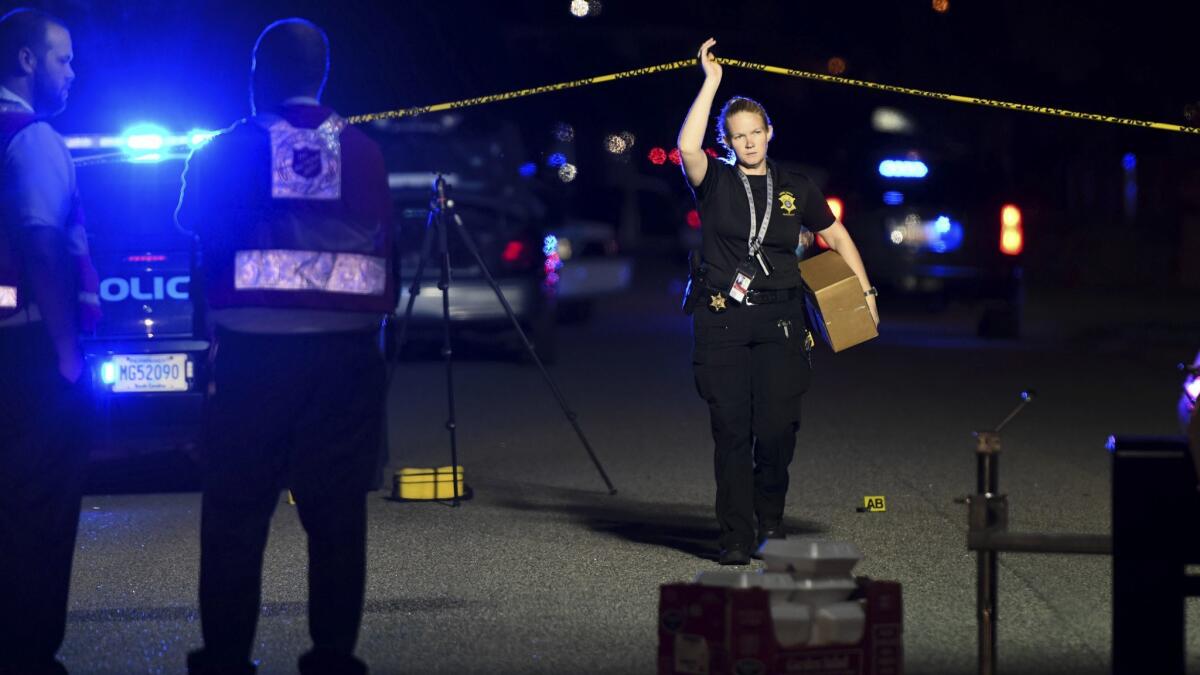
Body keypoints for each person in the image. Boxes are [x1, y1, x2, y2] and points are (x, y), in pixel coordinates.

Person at [176, 18, 395, 675]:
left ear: (258, 78)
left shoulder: (223, 151)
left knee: (236, 519)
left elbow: (190, 224)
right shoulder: (363, 151)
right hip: (344, 359)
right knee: (336, 519)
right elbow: (388, 251)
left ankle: (225, 659)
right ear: (321, 75)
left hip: (252, 358)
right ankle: (331, 656)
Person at [678, 38, 879, 566]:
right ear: (728, 142)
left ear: (769, 134)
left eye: (755, 133)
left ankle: (771, 522)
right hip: (722, 321)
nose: (748, 143)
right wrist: (711, 82)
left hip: (781, 319)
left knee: (775, 430)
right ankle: (736, 537)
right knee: (731, 432)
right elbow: (687, 148)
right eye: (737, 136)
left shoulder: (796, 187)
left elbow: (837, 238)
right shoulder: (713, 180)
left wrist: (865, 293)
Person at [0, 8, 97, 674]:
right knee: (39, 512)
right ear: (28, 61)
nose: (72, 72)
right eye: (63, 59)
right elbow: (41, 241)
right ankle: (31, 654)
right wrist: (68, 356)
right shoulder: (31, 137)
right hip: (28, 356)